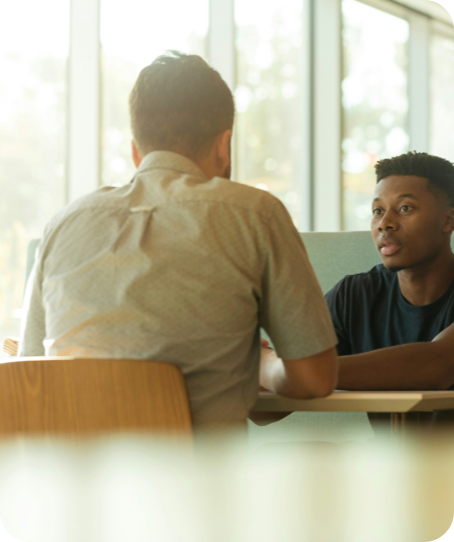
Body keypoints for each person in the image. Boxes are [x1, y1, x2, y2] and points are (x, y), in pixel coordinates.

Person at [19, 51, 338, 428]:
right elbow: (314, 379)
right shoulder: (256, 214)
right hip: (199, 482)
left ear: (136, 151)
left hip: (67, 481)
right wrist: (262, 365)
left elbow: (30, 374)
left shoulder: (63, 224)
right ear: (225, 145)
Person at [326, 151, 454, 395]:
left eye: (405, 208)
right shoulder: (353, 296)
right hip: (390, 436)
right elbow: (266, 411)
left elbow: (435, 367)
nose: (385, 223)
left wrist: (294, 371)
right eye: (377, 210)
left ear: (448, 221)